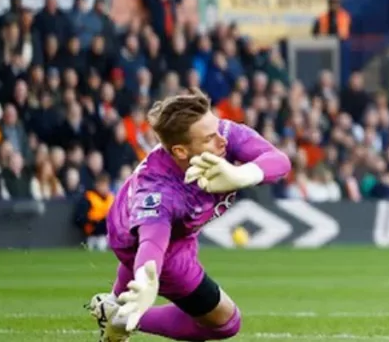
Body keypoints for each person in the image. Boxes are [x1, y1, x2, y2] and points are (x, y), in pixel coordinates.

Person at [86, 89, 291, 342]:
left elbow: (279, 161)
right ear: (181, 151)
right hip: (147, 237)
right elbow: (152, 242)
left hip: (164, 222)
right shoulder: (160, 190)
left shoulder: (221, 134)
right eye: (209, 138)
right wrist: (146, 278)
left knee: (137, 282)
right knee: (227, 323)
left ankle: (115, 309)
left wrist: (242, 174)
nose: (222, 141)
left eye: (216, 128)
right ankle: (120, 316)